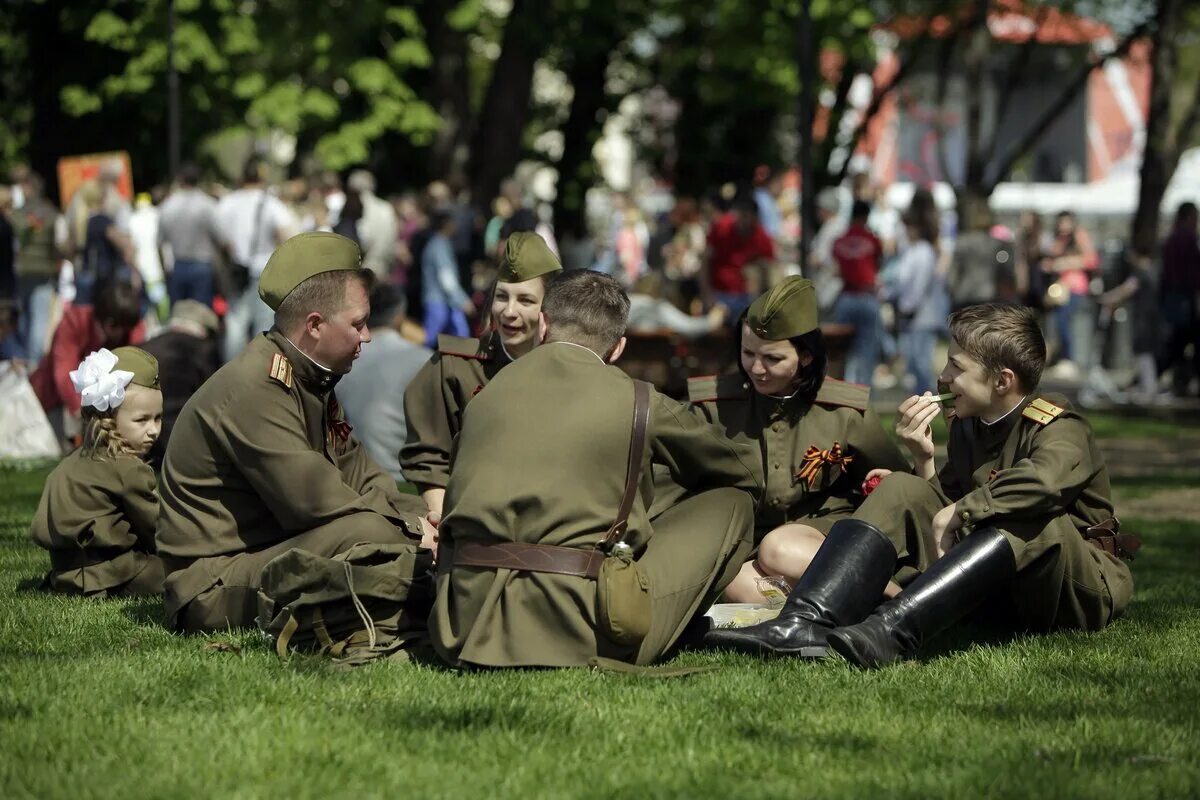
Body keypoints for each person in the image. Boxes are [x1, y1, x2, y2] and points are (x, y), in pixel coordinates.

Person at [708, 303, 1134, 667]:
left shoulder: (1061, 427)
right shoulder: (972, 425)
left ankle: (891, 632)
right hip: (1002, 586)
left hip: (1075, 592)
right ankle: (802, 623)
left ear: (1002, 381)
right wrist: (923, 461)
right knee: (901, 488)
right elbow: (942, 505)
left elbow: (1039, 485)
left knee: (1024, 513)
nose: (943, 376)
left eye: (956, 366)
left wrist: (963, 510)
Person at [430, 270, 764, 668]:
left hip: (463, 618)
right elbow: (744, 468)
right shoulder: (638, 400)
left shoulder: (486, 394)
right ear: (618, 347)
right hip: (577, 628)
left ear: (543, 324)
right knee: (732, 503)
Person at [155, 232, 430, 633]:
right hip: (212, 584)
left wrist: (427, 518)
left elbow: (362, 475)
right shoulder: (257, 387)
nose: (367, 336)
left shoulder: (310, 376)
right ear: (315, 325)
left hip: (264, 552)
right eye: (358, 324)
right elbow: (316, 502)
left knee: (402, 519)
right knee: (369, 532)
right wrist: (415, 530)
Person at [681, 277, 910, 604]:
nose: (756, 369)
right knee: (734, 583)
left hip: (822, 538)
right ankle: (832, 606)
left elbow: (899, 484)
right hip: (750, 545)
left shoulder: (844, 411)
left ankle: (897, 598)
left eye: (772, 359)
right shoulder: (715, 407)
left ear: (805, 356)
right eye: (747, 354)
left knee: (780, 549)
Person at [402, 232, 562, 519]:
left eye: (525, 300)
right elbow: (430, 460)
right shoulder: (454, 368)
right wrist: (441, 525)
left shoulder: (568, 371)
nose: (509, 312)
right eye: (502, 297)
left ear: (548, 311)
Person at [30, 346, 165, 597]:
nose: (153, 430)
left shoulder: (69, 463)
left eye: (158, 418)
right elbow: (157, 530)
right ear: (109, 418)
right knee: (184, 574)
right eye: (142, 420)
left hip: (64, 575)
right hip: (113, 574)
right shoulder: (129, 470)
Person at [336, 281, 431, 480]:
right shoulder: (424, 360)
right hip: (406, 480)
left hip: (352, 478)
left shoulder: (341, 360)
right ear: (399, 318)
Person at [30, 281, 145, 443]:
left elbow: (138, 368)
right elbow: (64, 374)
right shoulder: (74, 321)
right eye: (117, 328)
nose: (121, 334)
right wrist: (83, 414)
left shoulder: (130, 327)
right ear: (107, 322)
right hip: (56, 399)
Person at [216, 157, 298, 360]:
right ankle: (259, 368)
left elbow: (219, 236)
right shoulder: (270, 204)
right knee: (264, 323)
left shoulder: (228, 202)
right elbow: (288, 235)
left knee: (235, 323)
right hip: (266, 269)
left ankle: (231, 370)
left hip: (237, 270)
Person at [139, 299, 222, 462]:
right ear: (205, 331)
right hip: (185, 446)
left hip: (142, 442)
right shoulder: (206, 351)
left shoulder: (143, 348)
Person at [11, 172, 66, 366]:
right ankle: (34, 363)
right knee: (39, 317)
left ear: (28, 188)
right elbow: (60, 244)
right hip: (44, 271)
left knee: (23, 317)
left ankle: (24, 359)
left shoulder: (17, 214)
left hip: (22, 270)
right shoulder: (51, 213)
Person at [887, 204, 943, 394]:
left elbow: (919, 285)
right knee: (911, 358)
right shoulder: (910, 251)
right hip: (909, 314)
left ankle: (926, 397)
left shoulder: (924, 251)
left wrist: (906, 306)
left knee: (921, 360)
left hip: (922, 315)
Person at [831, 200, 885, 386]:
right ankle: (864, 394)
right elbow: (878, 263)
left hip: (845, 297)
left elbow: (836, 267)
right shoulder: (872, 239)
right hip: (866, 296)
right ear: (866, 216)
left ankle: (841, 391)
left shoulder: (839, 240)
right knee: (867, 349)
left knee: (840, 350)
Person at [1043, 211, 1099, 372]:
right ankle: (1061, 358)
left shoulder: (1079, 236)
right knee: (1056, 324)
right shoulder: (1058, 239)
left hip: (1075, 287)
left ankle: (1069, 359)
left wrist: (1064, 263)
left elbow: (1091, 260)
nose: (1063, 226)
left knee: (1065, 323)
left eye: (1066, 222)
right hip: (1059, 288)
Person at [704, 193, 775, 320]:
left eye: (747, 217)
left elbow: (770, 272)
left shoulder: (762, 238)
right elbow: (704, 262)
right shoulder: (721, 228)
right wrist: (708, 294)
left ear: (755, 218)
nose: (742, 222)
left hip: (746, 299)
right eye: (740, 217)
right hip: (719, 296)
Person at [158, 163, 220, 307]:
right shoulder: (207, 205)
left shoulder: (168, 205)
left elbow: (159, 243)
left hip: (178, 265)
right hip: (202, 265)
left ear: (181, 180)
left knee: (178, 313)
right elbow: (219, 238)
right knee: (201, 313)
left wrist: (164, 269)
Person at [1159, 201, 1200, 397]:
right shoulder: (1186, 238)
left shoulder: (1171, 238)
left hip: (1174, 297)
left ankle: (1178, 381)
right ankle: (1179, 382)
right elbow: (1192, 272)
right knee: (1181, 341)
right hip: (1183, 297)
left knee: (1178, 342)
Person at [420, 209, 474, 347]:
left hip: (443, 301)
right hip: (438, 301)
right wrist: (463, 301)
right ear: (446, 224)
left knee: (459, 336)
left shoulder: (439, 244)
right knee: (430, 339)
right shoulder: (438, 246)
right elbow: (446, 278)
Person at [346, 169, 398, 280]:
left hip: (361, 271)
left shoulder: (357, 206)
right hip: (382, 269)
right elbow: (392, 242)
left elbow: (364, 237)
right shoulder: (386, 208)